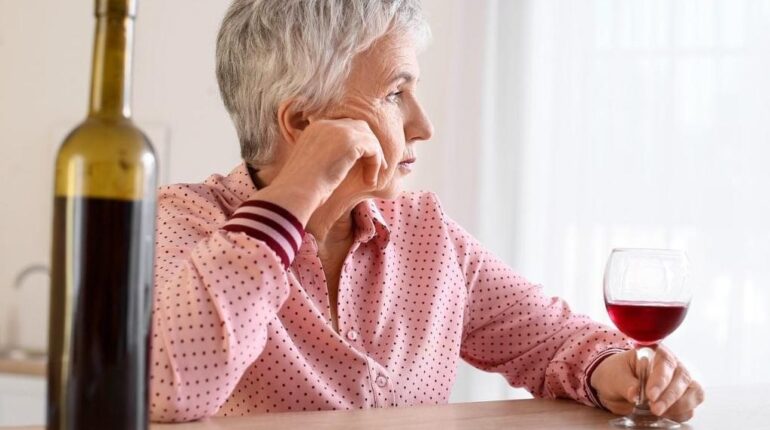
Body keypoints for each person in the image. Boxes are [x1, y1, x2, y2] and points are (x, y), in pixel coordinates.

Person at [149, 0, 704, 423]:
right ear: (300, 124)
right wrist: (296, 192)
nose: (423, 124)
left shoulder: (426, 233)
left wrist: (622, 373)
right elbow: (171, 387)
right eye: (396, 94)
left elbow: (551, 340)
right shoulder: (185, 223)